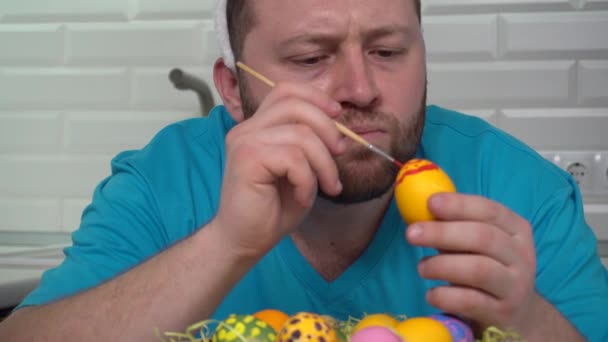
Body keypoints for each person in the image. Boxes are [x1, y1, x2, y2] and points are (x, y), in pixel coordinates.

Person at [1, 0, 607, 341]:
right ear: (233, 91)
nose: (361, 88)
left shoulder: (522, 190)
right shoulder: (163, 181)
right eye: (311, 59)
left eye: (388, 51)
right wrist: (226, 246)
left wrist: (527, 318)